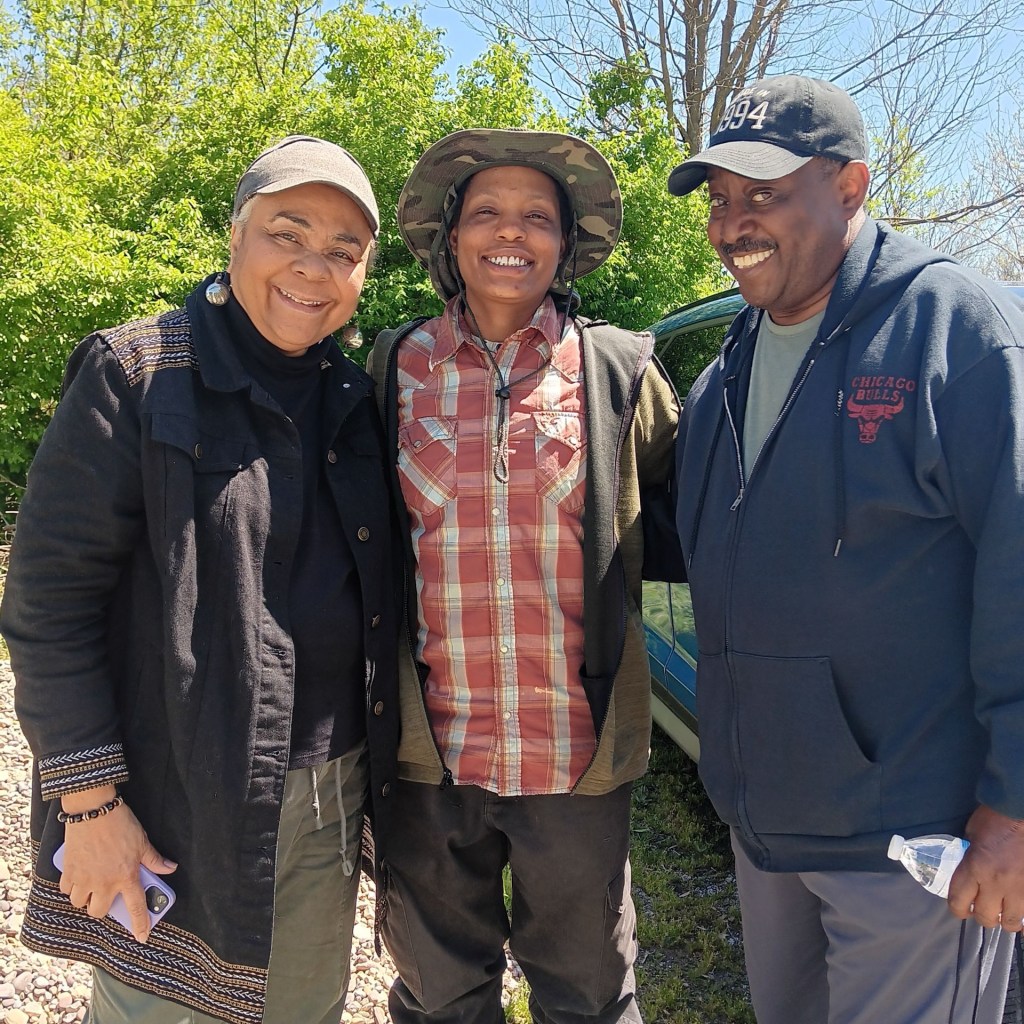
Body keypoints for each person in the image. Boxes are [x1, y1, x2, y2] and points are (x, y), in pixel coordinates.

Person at [0, 135, 400, 1024]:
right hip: (173, 791)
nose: (314, 267)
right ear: (235, 235)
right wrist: (89, 803)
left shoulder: (354, 396)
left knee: (303, 1008)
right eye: (287, 234)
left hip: (327, 791)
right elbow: (47, 605)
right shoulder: (137, 374)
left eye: (344, 250)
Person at [667, 74, 1024, 1023]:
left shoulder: (953, 332)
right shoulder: (725, 371)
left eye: (764, 193)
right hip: (767, 829)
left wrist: (1015, 811)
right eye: (720, 199)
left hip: (914, 842)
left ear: (852, 184)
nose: (732, 224)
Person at [367, 128, 681, 1024]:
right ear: (451, 236)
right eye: (488, 212)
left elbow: (687, 517)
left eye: (538, 216)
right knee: (439, 996)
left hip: (577, 757)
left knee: (588, 995)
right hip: (430, 757)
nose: (512, 231)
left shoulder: (621, 371)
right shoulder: (393, 368)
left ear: (566, 242)